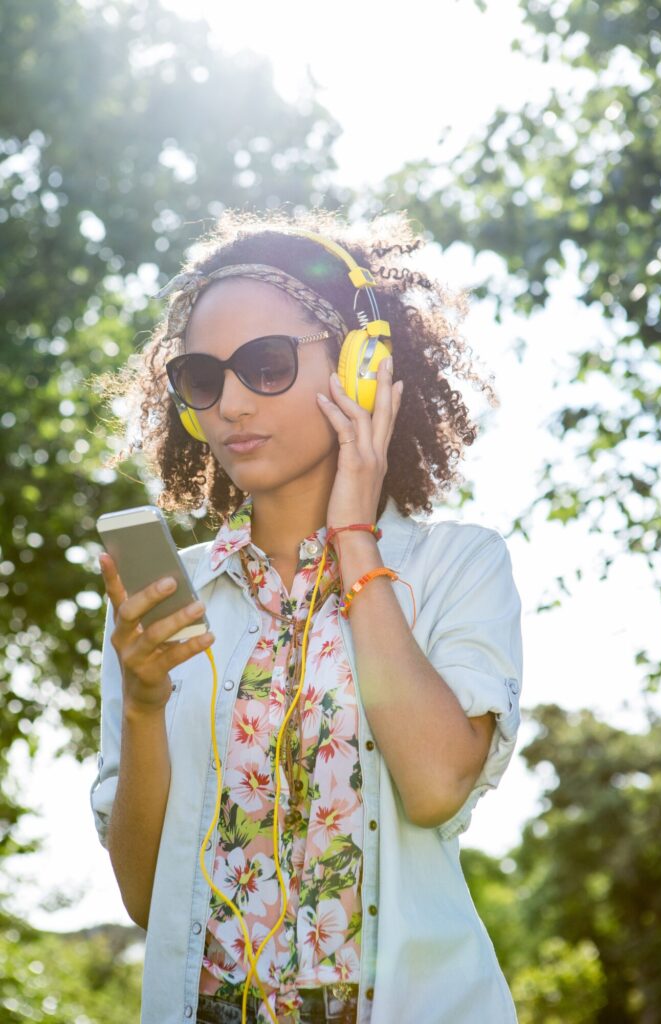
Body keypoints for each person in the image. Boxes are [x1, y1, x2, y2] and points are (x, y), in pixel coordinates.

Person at [91, 207, 523, 1024]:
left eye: (266, 363)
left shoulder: (457, 566)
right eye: (202, 378)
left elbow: (435, 785)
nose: (230, 404)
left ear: (361, 368)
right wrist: (145, 706)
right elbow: (149, 899)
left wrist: (354, 536)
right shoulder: (158, 606)